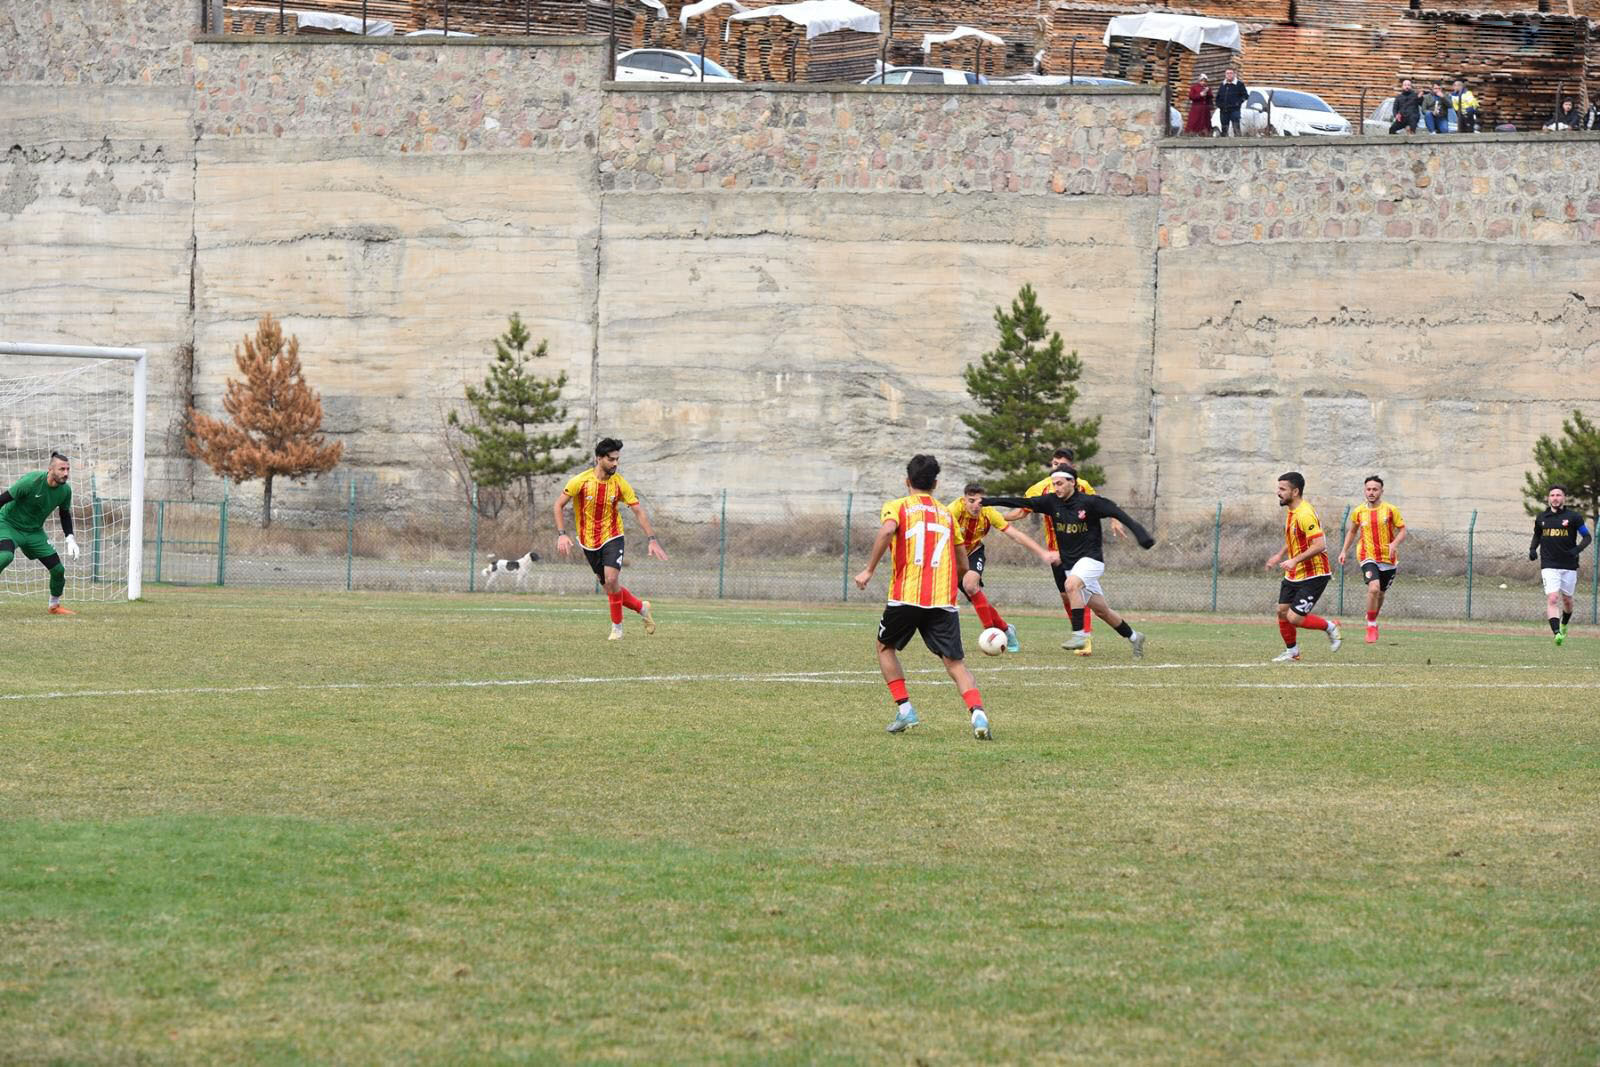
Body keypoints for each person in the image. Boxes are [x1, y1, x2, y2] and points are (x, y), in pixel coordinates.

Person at [854, 454, 993, 740]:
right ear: (936, 483)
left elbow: (887, 530)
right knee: (954, 663)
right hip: (942, 599)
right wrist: (962, 575)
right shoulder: (947, 514)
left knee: (884, 646)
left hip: (906, 596)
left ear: (907, 481)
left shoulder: (897, 507)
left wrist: (868, 570)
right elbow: (963, 561)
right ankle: (978, 713)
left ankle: (905, 709)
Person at [982, 467, 1155, 659]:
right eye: (1054, 484)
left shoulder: (1090, 502)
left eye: (1060, 483)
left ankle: (1079, 635)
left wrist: (1141, 535)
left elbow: (1118, 513)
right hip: (1072, 565)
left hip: (1091, 560)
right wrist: (989, 501)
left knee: (1070, 585)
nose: (1056, 488)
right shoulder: (1051, 502)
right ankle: (1134, 637)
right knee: (1102, 610)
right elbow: (1022, 502)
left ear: (1073, 482)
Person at [553, 437, 666, 640]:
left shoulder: (620, 484)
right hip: (588, 541)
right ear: (599, 459)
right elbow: (558, 505)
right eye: (611, 459)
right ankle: (642, 608)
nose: (615, 463)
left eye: (617, 459)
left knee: (612, 579)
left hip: (613, 535)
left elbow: (638, 511)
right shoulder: (580, 481)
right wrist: (561, 534)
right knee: (609, 587)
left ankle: (617, 629)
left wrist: (652, 539)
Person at [1003, 447, 1119, 637]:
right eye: (1055, 464)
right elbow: (1021, 511)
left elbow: (1100, 503)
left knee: (1077, 590)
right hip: (1057, 552)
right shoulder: (1040, 488)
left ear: (1071, 467)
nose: (1057, 467)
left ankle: (1084, 636)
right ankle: (1080, 631)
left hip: (1082, 550)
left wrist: (1114, 518)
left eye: (1062, 465)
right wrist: (999, 518)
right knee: (1067, 594)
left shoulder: (1082, 486)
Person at [948, 482, 1060, 653]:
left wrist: (1043, 553)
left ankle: (990, 632)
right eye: (971, 501)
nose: (976, 505)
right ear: (963, 500)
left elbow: (1016, 535)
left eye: (980, 501)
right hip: (952, 556)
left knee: (970, 586)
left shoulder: (989, 513)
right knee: (972, 596)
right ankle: (1006, 629)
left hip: (973, 552)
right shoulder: (953, 511)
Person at [1265, 472, 1341, 662]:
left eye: (1283, 489)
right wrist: (1280, 555)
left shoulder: (1305, 514)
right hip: (1295, 572)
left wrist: (1294, 560)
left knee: (1295, 618)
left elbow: (1320, 545)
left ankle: (1330, 627)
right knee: (1282, 611)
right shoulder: (1292, 511)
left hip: (1314, 573)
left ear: (1295, 491)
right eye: (1278, 488)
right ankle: (1292, 652)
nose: (1278, 492)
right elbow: (1295, 537)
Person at [0, 452, 81, 615]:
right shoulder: (31, 482)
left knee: (58, 570)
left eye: (68, 469)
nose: (66, 473)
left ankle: (54, 606)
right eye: (61, 469)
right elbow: (2, 499)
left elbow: (64, 514)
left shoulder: (65, 491)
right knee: (5, 557)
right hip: (8, 525)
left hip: (34, 532)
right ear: (50, 469)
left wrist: (70, 538)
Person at [1337, 475, 1407, 644]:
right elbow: (1353, 531)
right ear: (1364, 490)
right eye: (1368, 489)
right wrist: (1344, 551)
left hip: (1388, 559)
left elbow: (1403, 530)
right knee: (1374, 589)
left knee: (1380, 593)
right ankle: (1371, 625)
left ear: (1381, 491)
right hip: (1367, 555)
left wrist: (1394, 543)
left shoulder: (1390, 510)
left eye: (1375, 489)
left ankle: (1372, 616)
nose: (1371, 492)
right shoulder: (1359, 511)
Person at [1528, 485, 1592, 646]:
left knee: (1568, 601)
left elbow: (1587, 537)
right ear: (1548, 498)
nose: (1555, 498)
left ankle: (1564, 625)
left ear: (1564, 498)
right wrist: (1532, 549)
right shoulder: (1542, 517)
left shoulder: (1574, 517)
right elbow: (1537, 535)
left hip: (1569, 565)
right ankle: (1556, 633)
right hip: (1549, 564)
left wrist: (1577, 550)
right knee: (1552, 597)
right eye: (1552, 495)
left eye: (1558, 495)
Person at [1215, 69, 1248, 136]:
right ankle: (1224, 144)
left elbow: (1245, 96)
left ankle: (1238, 143)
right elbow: (1218, 96)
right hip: (1224, 110)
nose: (1229, 75)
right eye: (1227, 73)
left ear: (1234, 74)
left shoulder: (1239, 84)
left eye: (1231, 73)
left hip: (1234, 110)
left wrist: (1238, 103)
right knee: (1224, 128)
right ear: (1225, 75)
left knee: (1236, 128)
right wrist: (1219, 104)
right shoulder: (1223, 85)